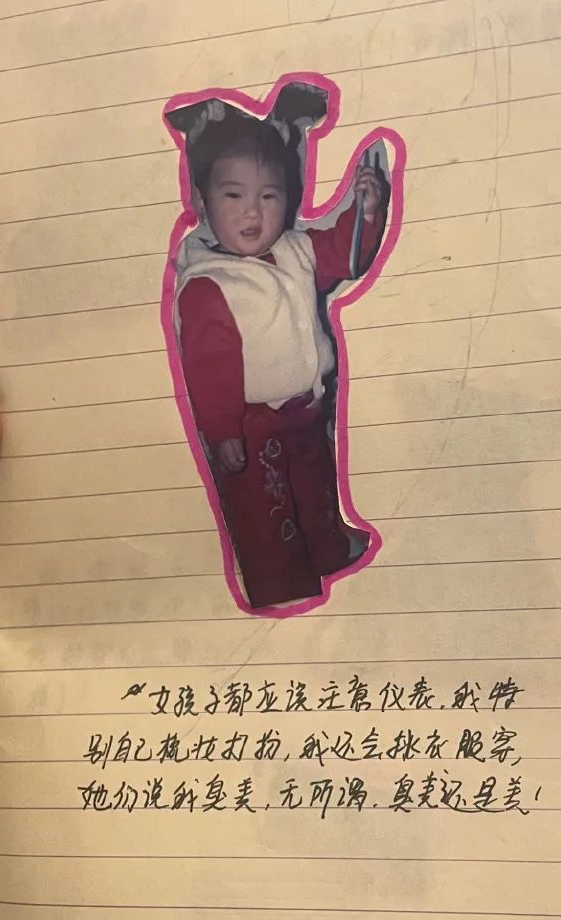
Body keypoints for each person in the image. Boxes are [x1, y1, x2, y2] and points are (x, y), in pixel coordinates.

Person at [168, 90, 385, 609]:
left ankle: (328, 549)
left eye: (269, 196)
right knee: (266, 517)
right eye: (233, 196)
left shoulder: (294, 249)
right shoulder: (209, 283)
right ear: (203, 202)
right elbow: (208, 367)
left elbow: (343, 254)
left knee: (314, 491)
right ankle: (280, 587)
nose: (253, 212)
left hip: (305, 414)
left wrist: (366, 211)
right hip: (250, 428)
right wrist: (222, 430)